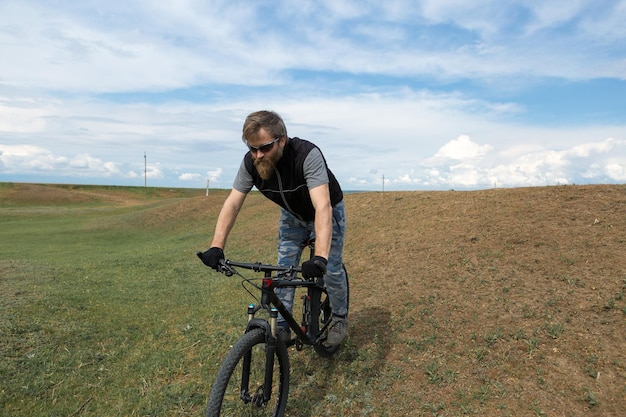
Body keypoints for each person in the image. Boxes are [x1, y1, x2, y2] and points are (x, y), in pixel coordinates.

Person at [199, 110, 348, 346]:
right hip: (292, 216)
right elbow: (233, 203)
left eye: (265, 147)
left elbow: (322, 207)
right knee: (284, 269)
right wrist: (216, 246)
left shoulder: (306, 155)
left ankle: (339, 317)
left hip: (327, 211)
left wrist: (320, 256)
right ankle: (282, 325)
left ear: (282, 140)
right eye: (252, 148)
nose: (258, 155)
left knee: (332, 269)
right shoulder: (251, 163)